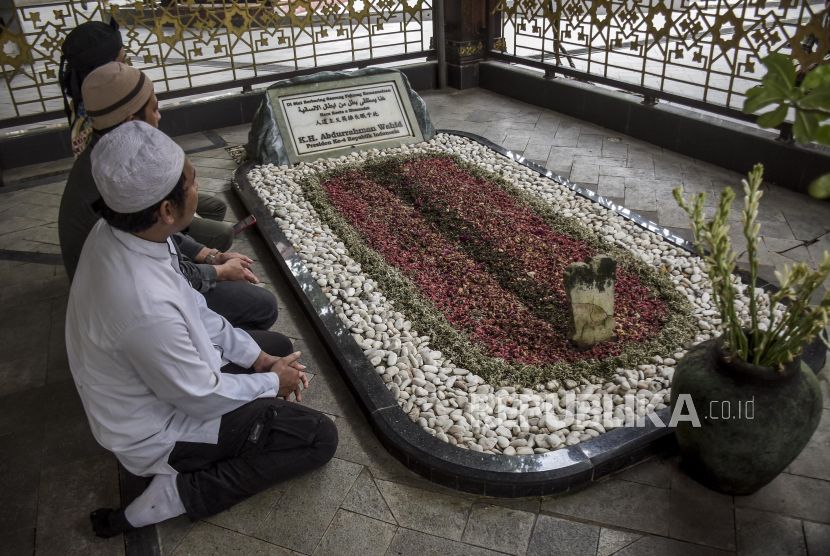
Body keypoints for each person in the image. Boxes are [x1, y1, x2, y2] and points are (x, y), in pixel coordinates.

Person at [66, 121, 337, 536]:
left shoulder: (126, 231)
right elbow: (199, 396)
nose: (198, 187)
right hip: (158, 430)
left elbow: (191, 305)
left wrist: (260, 360)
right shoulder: (143, 305)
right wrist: (270, 383)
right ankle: (178, 494)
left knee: (274, 345)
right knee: (318, 436)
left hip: (164, 379)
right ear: (167, 210)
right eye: (192, 182)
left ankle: (258, 380)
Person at [58, 62, 277, 330]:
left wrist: (207, 256)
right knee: (262, 306)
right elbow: (165, 272)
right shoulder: (118, 182)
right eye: (155, 108)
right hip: (133, 304)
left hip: (139, 276)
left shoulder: (110, 160)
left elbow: (159, 244)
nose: (159, 116)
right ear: (132, 122)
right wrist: (217, 271)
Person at [58, 22, 233, 249]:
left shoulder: (107, 121)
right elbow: (140, 222)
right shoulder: (109, 153)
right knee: (219, 234)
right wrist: (205, 259)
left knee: (209, 207)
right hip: (126, 234)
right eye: (121, 61)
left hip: (140, 217)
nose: (126, 67)